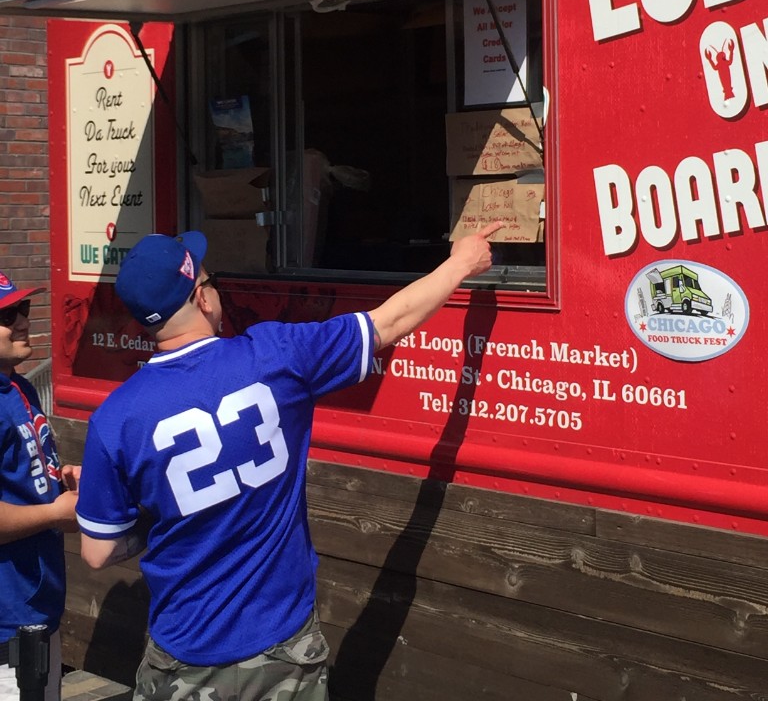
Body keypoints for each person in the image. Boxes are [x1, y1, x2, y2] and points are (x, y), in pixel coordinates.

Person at [76, 223, 502, 701]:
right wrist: (462, 262)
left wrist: (145, 509)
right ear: (201, 298)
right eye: (211, 281)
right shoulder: (275, 355)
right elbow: (389, 322)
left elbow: (97, 551)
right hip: (280, 650)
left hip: (181, 656)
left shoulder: (114, 419)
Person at [0, 271, 80, 701]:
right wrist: (54, 512)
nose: (24, 321)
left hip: (36, 605)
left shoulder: (20, 386)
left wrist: (59, 476)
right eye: (7, 315)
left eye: (23, 309)